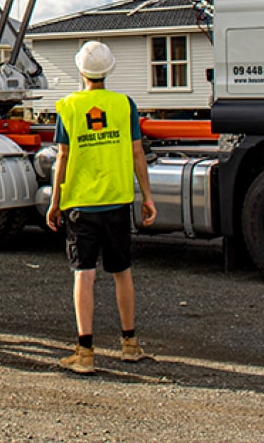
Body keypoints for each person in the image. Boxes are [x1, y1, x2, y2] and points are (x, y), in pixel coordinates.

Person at [45, 41, 156, 374]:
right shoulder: (124, 105)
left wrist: (55, 201)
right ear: (109, 71)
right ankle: (130, 344)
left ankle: (86, 351)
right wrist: (147, 196)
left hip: (81, 202)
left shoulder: (69, 107)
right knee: (122, 272)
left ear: (81, 71)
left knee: (85, 274)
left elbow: (62, 157)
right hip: (117, 199)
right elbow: (138, 152)